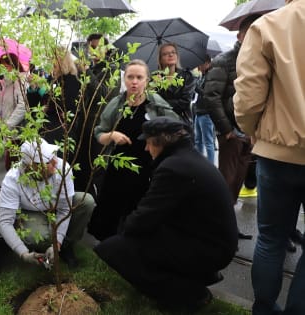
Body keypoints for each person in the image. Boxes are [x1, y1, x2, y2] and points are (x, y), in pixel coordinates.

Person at [94, 116, 238, 311]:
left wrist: (123, 234)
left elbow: (143, 218)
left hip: (208, 248)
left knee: (113, 249)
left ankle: (188, 294)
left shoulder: (173, 168)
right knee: (143, 240)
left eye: (148, 143)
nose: (146, 149)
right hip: (211, 242)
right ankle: (192, 280)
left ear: (160, 143)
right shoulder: (187, 158)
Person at [233, 1, 305, 314]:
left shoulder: (267, 25)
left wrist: (253, 131)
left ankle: (263, 309)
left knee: (271, 239)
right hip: (278, 152)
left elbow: (247, 98)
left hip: (276, 154)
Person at [87, 59, 178, 241]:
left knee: (139, 206)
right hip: (118, 164)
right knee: (112, 206)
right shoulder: (116, 103)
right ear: (124, 79)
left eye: (139, 77)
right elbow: (99, 134)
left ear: (147, 80)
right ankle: (108, 245)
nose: (134, 82)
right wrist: (112, 135)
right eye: (130, 77)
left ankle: (134, 243)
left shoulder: (156, 104)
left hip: (147, 166)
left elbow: (176, 128)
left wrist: (159, 141)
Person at [202, 14, 261, 240]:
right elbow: (211, 96)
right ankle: (217, 232)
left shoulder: (259, 60)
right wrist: (227, 130)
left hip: (251, 134)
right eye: (249, 33)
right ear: (239, 35)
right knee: (226, 184)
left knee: (236, 184)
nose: (254, 37)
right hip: (231, 134)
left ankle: (227, 230)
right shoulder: (224, 61)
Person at [0, 138, 95, 268]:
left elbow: (65, 209)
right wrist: (23, 253)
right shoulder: (12, 179)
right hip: (32, 211)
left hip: (56, 205)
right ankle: (45, 244)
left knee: (86, 202)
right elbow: (5, 222)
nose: (55, 161)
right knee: (38, 237)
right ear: (32, 167)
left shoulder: (62, 168)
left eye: (53, 155)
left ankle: (65, 245)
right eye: (48, 161)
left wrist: (58, 243)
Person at [74, 33, 120, 195]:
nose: (93, 51)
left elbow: (104, 94)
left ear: (106, 49)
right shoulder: (92, 69)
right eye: (90, 47)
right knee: (83, 168)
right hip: (84, 126)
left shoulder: (112, 69)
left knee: (98, 170)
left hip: (100, 127)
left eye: (96, 47)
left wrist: (87, 72)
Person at [0, 53, 27, 170]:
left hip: (18, 134)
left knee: (14, 168)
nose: (3, 69)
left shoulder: (19, 81)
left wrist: (8, 125)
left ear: (14, 65)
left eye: (6, 66)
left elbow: (23, 106)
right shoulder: (6, 83)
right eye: (1, 66)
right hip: (8, 133)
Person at [152, 43, 196, 124]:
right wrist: (154, 87)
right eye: (165, 54)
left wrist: (162, 104)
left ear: (177, 56)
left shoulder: (187, 76)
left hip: (181, 122)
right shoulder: (154, 77)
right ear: (160, 59)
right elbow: (151, 103)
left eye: (173, 52)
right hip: (160, 122)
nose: (171, 55)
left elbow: (185, 102)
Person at [193, 55, 215, 163]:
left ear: (207, 63)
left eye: (200, 65)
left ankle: (210, 165)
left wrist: (196, 87)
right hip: (199, 111)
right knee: (198, 140)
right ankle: (199, 162)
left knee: (208, 142)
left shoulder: (211, 76)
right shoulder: (203, 75)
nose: (198, 67)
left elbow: (208, 94)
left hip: (206, 113)